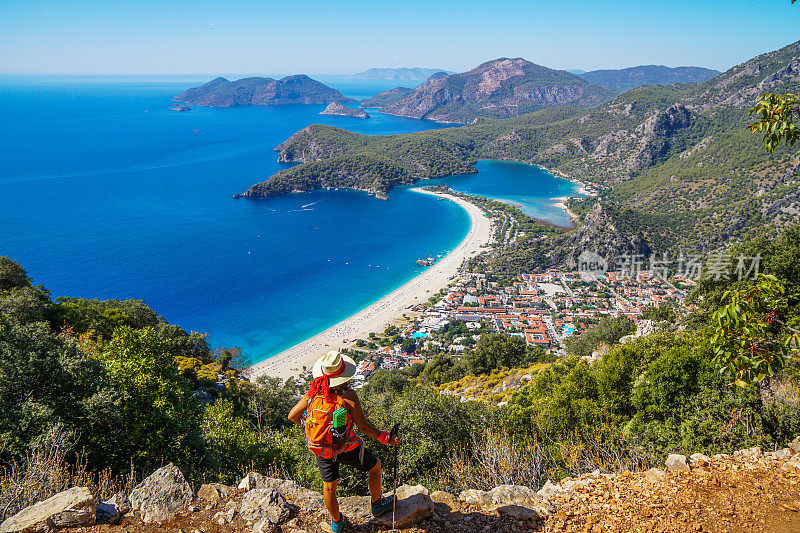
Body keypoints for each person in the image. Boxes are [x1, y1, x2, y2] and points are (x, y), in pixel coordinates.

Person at [288, 350, 400, 533]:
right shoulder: (348, 396)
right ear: (343, 376)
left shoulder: (313, 394)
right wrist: (386, 438)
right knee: (375, 466)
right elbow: (363, 427)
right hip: (347, 447)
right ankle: (377, 504)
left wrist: (313, 429)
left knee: (329, 487)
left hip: (322, 448)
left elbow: (292, 415)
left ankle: (337, 523)